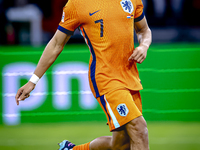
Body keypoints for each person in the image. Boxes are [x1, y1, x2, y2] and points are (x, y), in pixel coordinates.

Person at [15, 0, 152, 149]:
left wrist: (144, 46)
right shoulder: (77, 4)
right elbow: (56, 44)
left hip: (130, 76)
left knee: (121, 144)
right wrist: (33, 80)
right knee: (139, 129)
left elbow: (144, 30)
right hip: (106, 77)